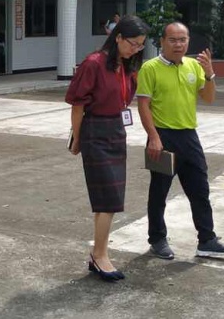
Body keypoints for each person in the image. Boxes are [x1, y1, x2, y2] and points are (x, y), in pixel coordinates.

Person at [136, 22, 224, 260]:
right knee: (159, 192)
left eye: (183, 40)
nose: (178, 44)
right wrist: (153, 137)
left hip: (189, 136)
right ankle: (157, 239)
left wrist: (210, 73)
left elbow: (209, 98)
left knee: (200, 189)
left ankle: (207, 240)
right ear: (162, 41)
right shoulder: (150, 68)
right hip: (163, 136)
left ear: (188, 41)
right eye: (173, 40)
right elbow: (143, 105)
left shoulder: (193, 66)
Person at [65, 15, 148, 281]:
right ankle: (100, 255)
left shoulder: (126, 65)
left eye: (141, 45)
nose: (136, 49)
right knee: (109, 199)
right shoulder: (94, 63)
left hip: (116, 130)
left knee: (107, 199)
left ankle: (98, 254)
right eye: (133, 43)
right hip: (96, 132)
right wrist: (77, 138)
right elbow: (78, 106)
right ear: (118, 37)